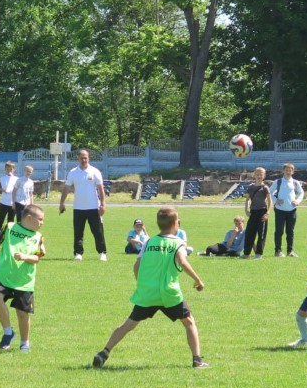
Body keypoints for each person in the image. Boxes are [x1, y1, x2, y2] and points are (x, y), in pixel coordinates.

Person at [92, 207, 209, 369]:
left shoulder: (149, 242)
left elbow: (136, 265)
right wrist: (198, 280)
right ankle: (197, 360)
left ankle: (104, 352)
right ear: (175, 224)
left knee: (128, 324)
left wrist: (141, 284)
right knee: (189, 322)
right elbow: (183, 262)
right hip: (169, 293)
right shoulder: (177, 243)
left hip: (148, 293)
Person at [0, 204, 46, 352]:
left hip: (24, 281)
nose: (42, 223)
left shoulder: (38, 237)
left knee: (22, 313)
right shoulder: (9, 227)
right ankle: (8, 332)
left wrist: (25, 257)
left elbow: (37, 258)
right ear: (29, 218)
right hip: (3, 276)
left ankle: (24, 343)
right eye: (40, 219)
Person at [59, 149, 107, 261]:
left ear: (88, 158)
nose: (84, 160)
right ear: (78, 158)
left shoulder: (95, 171)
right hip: (78, 208)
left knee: (98, 231)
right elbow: (66, 188)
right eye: (82, 158)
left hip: (93, 207)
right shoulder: (73, 172)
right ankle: (78, 253)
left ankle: (102, 253)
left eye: (86, 158)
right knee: (78, 232)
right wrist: (62, 203)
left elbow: (101, 189)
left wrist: (103, 204)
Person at [270, 163, 304, 257]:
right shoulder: (278, 182)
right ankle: (278, 251)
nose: (288, 172)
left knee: (290, 231)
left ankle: (290, 251)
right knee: (279, 231)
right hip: (279, 210)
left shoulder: (295, 182)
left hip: (291, 210)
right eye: (286, 170)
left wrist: (297, 201)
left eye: (290, 170)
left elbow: (301, 192)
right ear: (283, 171)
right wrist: (275, 200)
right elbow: (269, 192)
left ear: (293, 172)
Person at [242, 167, 272, 260]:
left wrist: (267, 213)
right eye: (257, 174)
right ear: (254, 175)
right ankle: (246, 253)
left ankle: (259, 253)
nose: (259, 176)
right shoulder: (250, 187)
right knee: (249, 233)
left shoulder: (265, 188)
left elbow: (270, 201)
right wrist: (246, 210)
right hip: (253, 212)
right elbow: (247, 199)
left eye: (261, 174)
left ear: (264, 176)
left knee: (261, 234)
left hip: (262, 212)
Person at [0, 161, 18, 235]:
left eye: (11, 169)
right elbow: (5, 188)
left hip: (12, 203)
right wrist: (3, 189)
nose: (9, 171)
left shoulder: (16, 179)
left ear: (14, 170)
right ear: (5, 169)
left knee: (10, 221)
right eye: (7, 169)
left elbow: (16, 189)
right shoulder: (2, 178)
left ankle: (8, 235)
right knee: (0, 220)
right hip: (4, 203)